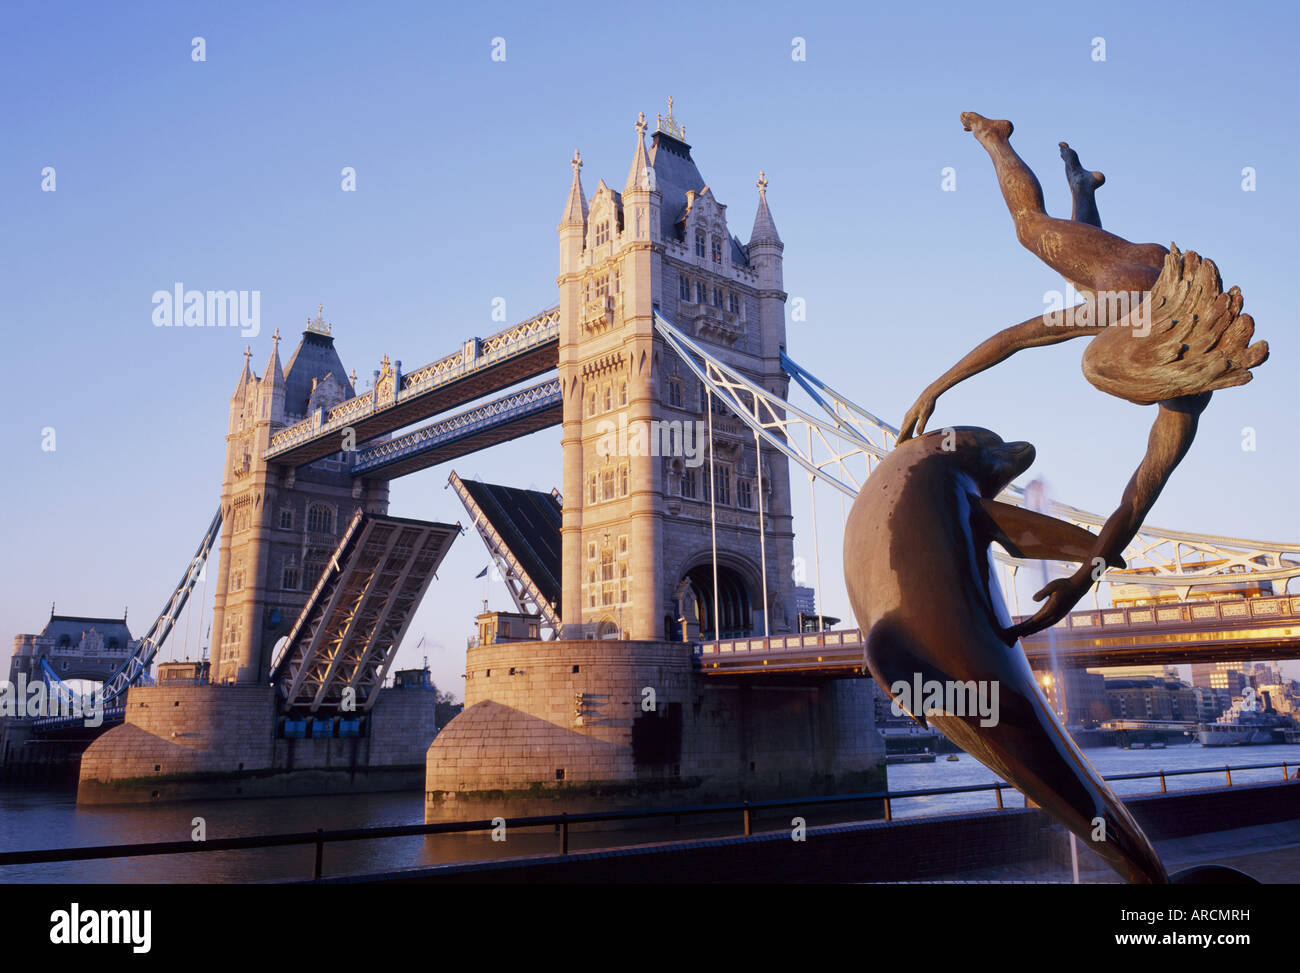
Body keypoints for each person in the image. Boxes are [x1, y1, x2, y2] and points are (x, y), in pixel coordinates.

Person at [899, 113, 1268, 637]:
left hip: (1157, 276)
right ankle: (995, 137)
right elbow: (1018, 337)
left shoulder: (1185, 401)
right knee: (1031, 228)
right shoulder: (1125, 305)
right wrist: (934, 389)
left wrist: (1081, 580)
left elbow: (1133, 502)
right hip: (1141, 278)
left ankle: (1082, 188)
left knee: (1087, 260)